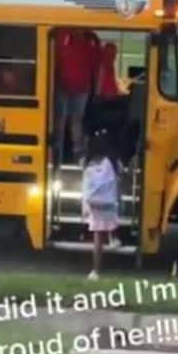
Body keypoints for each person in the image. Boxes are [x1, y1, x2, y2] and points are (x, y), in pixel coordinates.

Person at [54, 28, 101, 164]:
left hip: (80, 90)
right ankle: (60, 153)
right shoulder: (65, 43)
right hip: (65, 88)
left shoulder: (88, 47)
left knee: (75, 122)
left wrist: (95, 40)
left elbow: (97, 63)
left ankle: (76, 153)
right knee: (62, 122)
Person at [82, 128, 122, 280]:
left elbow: (85, 187)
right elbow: (120, 175)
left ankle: (96, 271)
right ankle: (115, 237)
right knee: (114, 216)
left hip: (94, 204)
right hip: (109, 203)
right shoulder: (112, 161)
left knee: (98, 238)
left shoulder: (88, 164)